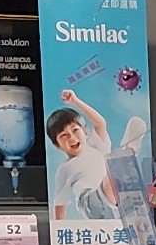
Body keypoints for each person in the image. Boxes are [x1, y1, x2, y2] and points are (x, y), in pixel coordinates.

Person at [47, 89, 115, 219]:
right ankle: (127, 152)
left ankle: (127, 154)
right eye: (64, 135)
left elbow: (100, 123)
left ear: (86, 132)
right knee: (114, 176)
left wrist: (75, 101)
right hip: (89, 200)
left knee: (116, 180)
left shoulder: (96, 146)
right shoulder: (64, 169)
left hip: (114, 201)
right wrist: (58, 227)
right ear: (57, 145)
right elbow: (60, 201)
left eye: (75, 130)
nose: (72, 138)